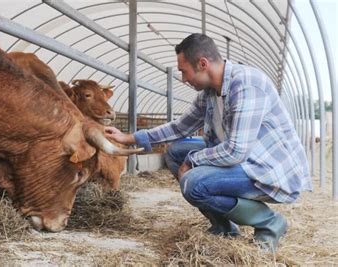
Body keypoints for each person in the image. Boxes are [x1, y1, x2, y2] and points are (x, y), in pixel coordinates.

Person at [105, 33, 312, 253]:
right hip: (243, 162)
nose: (183, 78)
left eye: (184, 71)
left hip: (267, 168)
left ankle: (269, 222)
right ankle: (224, 227)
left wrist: (193, 161)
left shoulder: (247, 85)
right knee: (175, 152)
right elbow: (180, 127)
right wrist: (131, 137)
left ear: (203, 64)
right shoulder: (210, 93)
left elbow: (235, 151)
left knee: (194, 184)